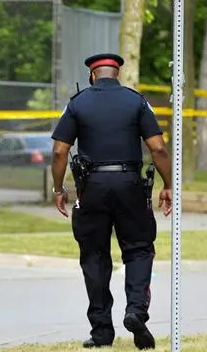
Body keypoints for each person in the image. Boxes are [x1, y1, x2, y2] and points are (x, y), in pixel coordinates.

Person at [50, 54, 173, 350]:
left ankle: (102, 332)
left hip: (91, 188)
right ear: (117, 74)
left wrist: (58, 188)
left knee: (94, 256)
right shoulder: (137, 102)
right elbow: (157, 148)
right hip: (130, 185)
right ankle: (136, 311)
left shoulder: (77, 103)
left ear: (93, 76)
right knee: (140, 249)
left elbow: (58, 151)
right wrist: (169, 184)